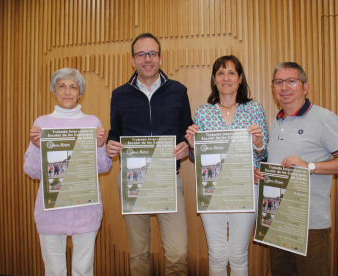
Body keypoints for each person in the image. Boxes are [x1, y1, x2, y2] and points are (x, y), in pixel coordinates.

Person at [255, 62, 338, 276]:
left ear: (305, 87)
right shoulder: (275, 123)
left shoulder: (324, 119)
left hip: (311, 225)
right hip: (276, 221)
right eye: (279, 82)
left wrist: (309, 166)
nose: (285, 87)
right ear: (273, 89)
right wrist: (262, 174)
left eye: (291, 81)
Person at [106, 33, 192, 276]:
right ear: (132, 60)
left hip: (168, 179)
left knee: (178, 254)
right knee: (139, 253)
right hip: (133, 180)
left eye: (152, 53)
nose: (147, 59)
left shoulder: (178, 90)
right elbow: (115, 133)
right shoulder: (119, 94)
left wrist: (186, 143)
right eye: (141, 54)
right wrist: (111, 145)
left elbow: (187, 129)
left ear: (160, 58)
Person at [23, 68, 112, 276]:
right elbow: (32, 171)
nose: (67, 91)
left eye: (73, 86)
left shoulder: (92, 123)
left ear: (80, 92)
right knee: (54, 271)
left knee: (83, 270)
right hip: (51, 211)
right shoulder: (42, 124)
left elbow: (104, 167)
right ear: (54, 90)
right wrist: (36, 146)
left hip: (86, 209)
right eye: (61, 85)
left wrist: (100, 146)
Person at [185, 55, 269, 276]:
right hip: (212, 189)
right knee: (217, 254)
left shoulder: (254, 109)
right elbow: (197, 158)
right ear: (214, 79)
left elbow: (265, 154)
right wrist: (193, 146)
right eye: (220, 73)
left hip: (246, 187)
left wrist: (258, 144)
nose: (226, 78)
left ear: (240, 78)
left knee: (239, 254)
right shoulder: (204, 111)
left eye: (231, 72)